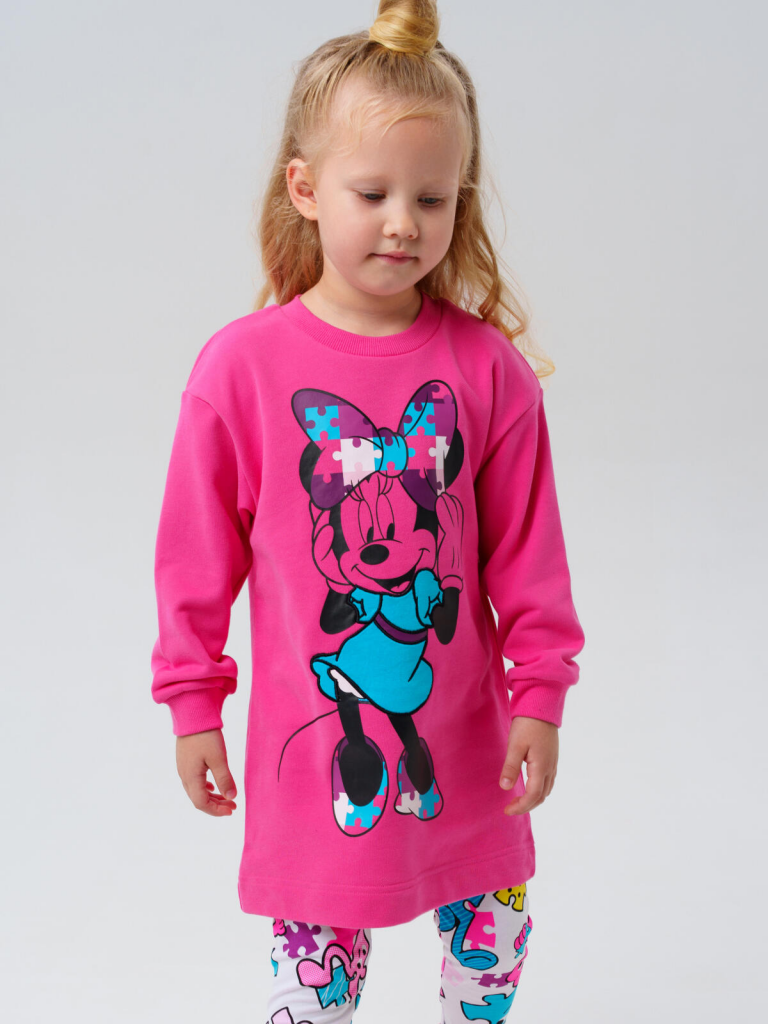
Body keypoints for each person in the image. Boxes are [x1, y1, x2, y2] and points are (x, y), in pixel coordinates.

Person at [150, 2, 586, 1020]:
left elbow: (530, 555)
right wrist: (192, 703)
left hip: (472, 751)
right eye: (373, 192)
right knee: (313, 983)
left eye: (433, 198)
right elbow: (194, 561)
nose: (404, 223)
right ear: (305, 188)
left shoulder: (487, 370)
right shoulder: (241, 370)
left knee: (492, 955)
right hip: (317, 761)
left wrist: (541, 696)